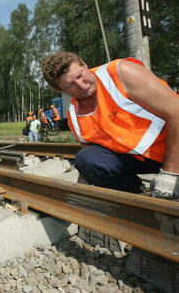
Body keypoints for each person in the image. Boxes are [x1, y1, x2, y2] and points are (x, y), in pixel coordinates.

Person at [41, 51, 179, 199]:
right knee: (87, 158)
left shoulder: (120, 73)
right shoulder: (74, 116)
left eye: (80, 76)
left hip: (173, 146)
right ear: (59, 90)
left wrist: (170, 172)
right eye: (70, 85)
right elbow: (91, 160)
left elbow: (176, 112)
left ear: (84, 63)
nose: (82, 85)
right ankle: (137, 198)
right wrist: (80, 196)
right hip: (146, 158)